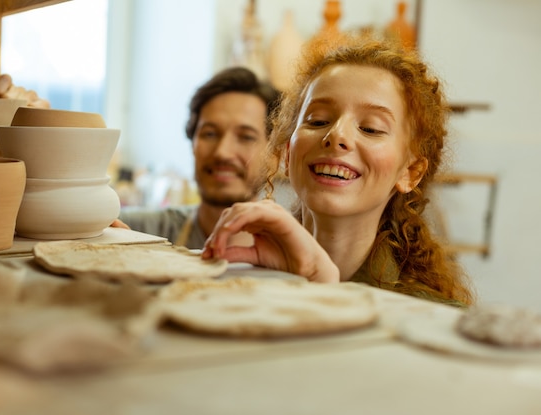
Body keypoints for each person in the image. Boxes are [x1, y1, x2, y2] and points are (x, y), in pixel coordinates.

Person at [202, 37, 475, 307]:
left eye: (370, 128)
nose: (337, 135)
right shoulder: (237, 285)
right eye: (318, 120)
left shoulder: (435, 317)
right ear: (287, 152)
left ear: (410, 172)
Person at [116, 67, 280, 249]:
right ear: (192, 142)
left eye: (246, 137)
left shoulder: (293, 251)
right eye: (210, 134)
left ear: (274, 154)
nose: (222, 152)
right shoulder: (141, 231)